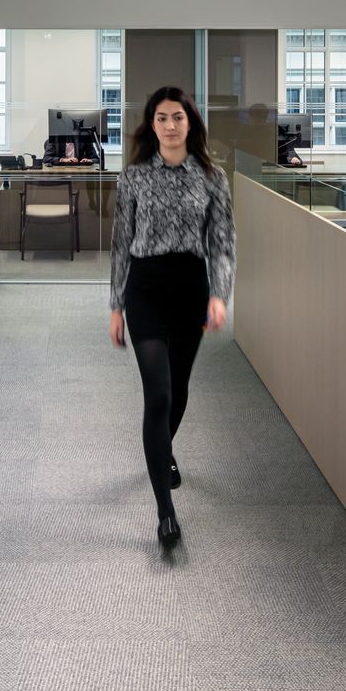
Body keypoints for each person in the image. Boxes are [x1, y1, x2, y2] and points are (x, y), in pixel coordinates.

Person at [108, 86, 237, 549]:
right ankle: (165, 512)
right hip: (145, 289)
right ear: (152, 125)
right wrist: (116, 305)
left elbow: (222, 242)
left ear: (190, 123)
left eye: (177, 117)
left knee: (179, 390)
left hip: (190, 290)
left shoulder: (212, 177)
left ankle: (163, 452)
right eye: (161, 118)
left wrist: (220, 294)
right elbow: (121, 244)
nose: (169, 125)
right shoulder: (133, 179)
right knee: (158, 395)